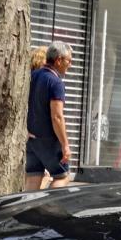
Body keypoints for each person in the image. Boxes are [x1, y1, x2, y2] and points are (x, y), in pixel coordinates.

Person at [25, 41, 74, 191]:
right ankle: (48, 209)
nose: (70, 65)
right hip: (49, 141)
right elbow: (57, 117)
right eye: (69, 61)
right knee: (62, 176)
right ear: (58, 60)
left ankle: (27, 212)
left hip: (31, 139)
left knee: (34, 177)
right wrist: (65, 145)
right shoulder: (55, 82)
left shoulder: (32, 76)